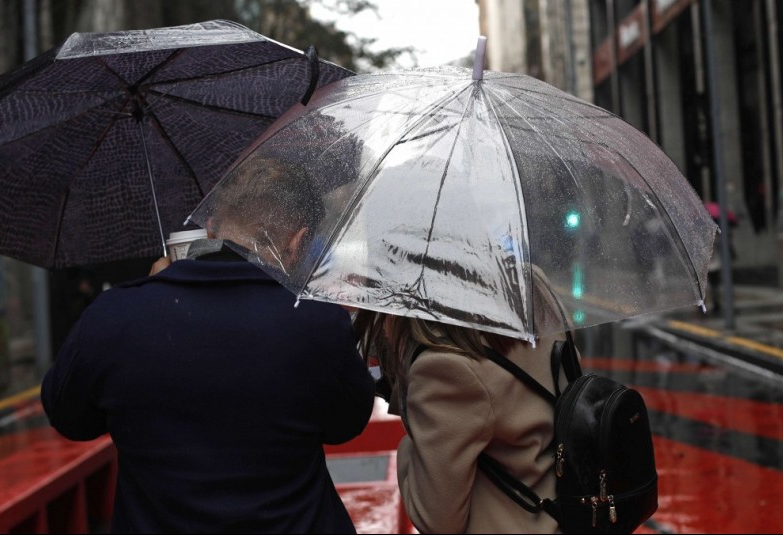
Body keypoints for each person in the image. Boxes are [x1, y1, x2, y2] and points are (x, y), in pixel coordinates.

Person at [41, 157, 376, 534]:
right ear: (297, 242)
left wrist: (150, 293)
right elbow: (346, 423)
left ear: (211, 230)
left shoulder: (113, 317)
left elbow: (70, 418)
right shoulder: (317, 323)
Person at [353, 267, 571, 534]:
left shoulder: (444, 366)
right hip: (567, 512)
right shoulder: (531, 281)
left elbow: (435, 520)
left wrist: (414, 439)